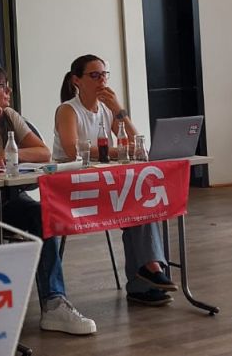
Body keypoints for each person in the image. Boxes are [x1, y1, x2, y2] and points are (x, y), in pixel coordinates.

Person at [0, 64, 97, 335]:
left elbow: (43, 152)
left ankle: (54, 304)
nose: (8, 91)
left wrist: (10, 152)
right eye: (1, 86)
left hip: (9, 197)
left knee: (42, 216)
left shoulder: (9, 115)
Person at [53, 54, 179, 307]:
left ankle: (145, 278)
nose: (102, 80)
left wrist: (119, 110)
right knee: (135, 199)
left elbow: (138, 145)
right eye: (94, 75)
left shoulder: (106, 110)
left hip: (104, 181)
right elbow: (72, 150)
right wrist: (115, 151)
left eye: (104, 75)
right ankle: (148, 272)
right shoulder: (68, 109)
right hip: (74, 186)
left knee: (142, 196)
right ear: (77, 80)